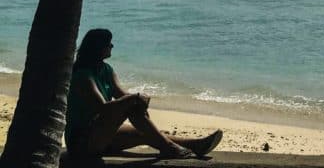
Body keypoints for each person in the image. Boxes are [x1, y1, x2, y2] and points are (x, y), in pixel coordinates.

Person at [65, 28, 223, 160]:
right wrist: (134, 99)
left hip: (101, 134)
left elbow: (121, 95)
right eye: (108, 43)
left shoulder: (106, 69)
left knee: (144, 132)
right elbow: (103, 109)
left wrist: (136, 101)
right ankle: (170, 148)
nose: (112, 46)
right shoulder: (83, 75)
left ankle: (195, 145)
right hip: (82, 142)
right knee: (130, 105)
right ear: (98, 47)